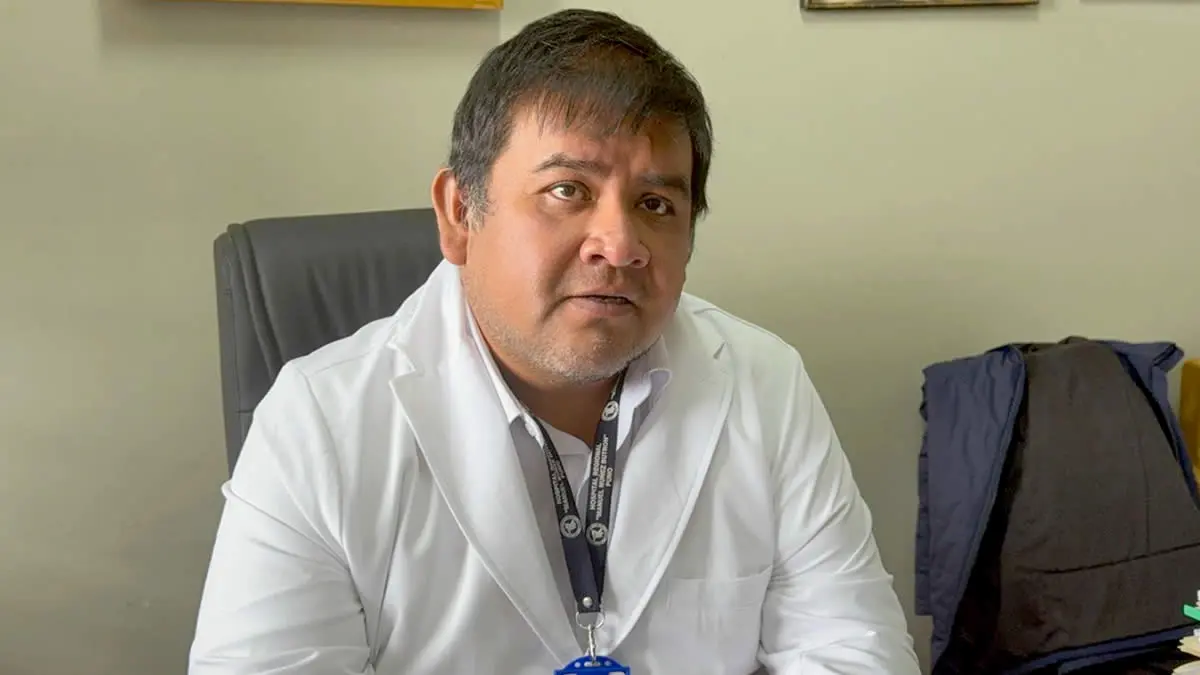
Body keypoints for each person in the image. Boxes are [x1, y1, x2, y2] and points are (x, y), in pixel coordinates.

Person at [188, 8, 919, 675]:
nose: (620, 245)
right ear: (459, 213)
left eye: (656, 203)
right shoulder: (319, 422)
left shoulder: (766, 382)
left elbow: (856, 652)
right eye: (567, 190)